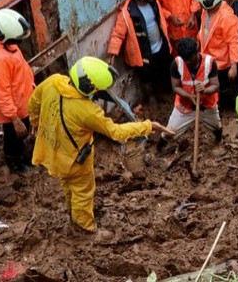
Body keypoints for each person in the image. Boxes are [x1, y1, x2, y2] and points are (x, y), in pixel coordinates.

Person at [29, 56, 172, 234]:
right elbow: (116, 132)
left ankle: (71, 213)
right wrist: (148, 126)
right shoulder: (87, 111)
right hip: (74, 160)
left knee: (67, 186)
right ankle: (84, 228)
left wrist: (35, 122)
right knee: (83, 192)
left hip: (51, 150)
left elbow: (34, 101)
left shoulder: (53, 81)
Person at [0, 8, 35, 173]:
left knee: (21, 136)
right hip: (13, 111)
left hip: (21, 101)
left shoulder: (0, 42)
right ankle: (15, 164)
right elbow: (2, 93)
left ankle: (23, 156)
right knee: (13, 139)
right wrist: (14, 119)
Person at [107, 0, 171, 102]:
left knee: (162, 71)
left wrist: (170, 17)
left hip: (159, 46)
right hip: (142, 54)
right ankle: (152, 100)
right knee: (147, 77)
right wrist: (113, 52)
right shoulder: (127, 14)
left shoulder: (153, 2)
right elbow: (118, 34)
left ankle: (163, 95)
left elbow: (161, 13)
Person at [166, 38, 222, 145]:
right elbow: (175, 87)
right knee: (168, 133)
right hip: (184, 105)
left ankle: (218, 141)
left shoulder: (209, 63)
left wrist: (205, 90)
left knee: (217, 126)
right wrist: (188, 96)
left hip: (207, 105)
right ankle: (159, 150)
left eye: (189, 59)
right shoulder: (176, 64)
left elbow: (215, 85)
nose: (187, 62)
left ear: (196, 52)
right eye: (185, 59)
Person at [195, 0, 238, 98]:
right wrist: (198, 39)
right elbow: (204, 28)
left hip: (220, 64)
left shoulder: (227, 18)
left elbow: (233, 42)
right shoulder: (206, 11)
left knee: (218, 87)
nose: (199, 5)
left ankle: (218, 105)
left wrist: (233, 65)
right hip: (206, 57)